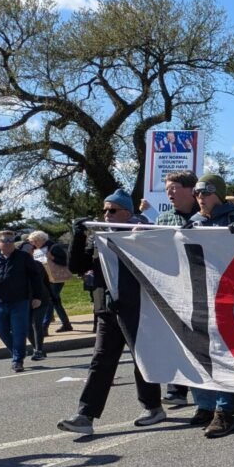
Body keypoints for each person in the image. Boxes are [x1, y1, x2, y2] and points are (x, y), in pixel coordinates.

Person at [57, 190, 165, 435]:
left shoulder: (141, 233)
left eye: (112, 210)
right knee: (101, 360)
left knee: (142, 358)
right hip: (107, 307)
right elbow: (77, 266)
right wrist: (78, 235)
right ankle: (85, 415)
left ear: (128, 213)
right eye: (105, 210)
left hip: (137, 306)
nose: (106, 214)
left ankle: (152, 406)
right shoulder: (100, 238)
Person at [183, 174, 234, 437]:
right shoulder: (194, 222)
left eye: (207, 191)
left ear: (220, 195)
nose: (201, 196)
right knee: (201, 349)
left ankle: (224, 410)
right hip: (203, 293)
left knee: (227, 349)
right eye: (198, 192)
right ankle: (205, 403)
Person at [155, 170, 200, 406]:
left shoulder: (204, 216)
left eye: (174, 187)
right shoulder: (163, 220)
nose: (169, 193)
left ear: (191, 190)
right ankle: (177, 388)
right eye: (167, 188)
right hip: (176, 287)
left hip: (203, 286)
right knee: (177, 338)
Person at [0, 230, 41, 372]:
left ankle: (17, 361)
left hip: (20, 301)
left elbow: (35, 277)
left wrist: (37, 297)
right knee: (0, 328)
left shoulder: (23, 257)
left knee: (19, 331)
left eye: (10, 240)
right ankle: (17, 351)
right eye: (4, 241)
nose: (8, 243)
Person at [29, 229, 74, 333]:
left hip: (57, 279)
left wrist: (52, 257)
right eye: (32, 242)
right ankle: (66, 324)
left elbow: (65, 262)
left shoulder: (54, 247)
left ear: (42, 239)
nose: (34, 244)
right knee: (56, 302)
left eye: (36, 241)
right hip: (46, 279)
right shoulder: (37, 249)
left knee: (50, 301)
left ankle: (44, 327)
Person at [16, 236, 52, 361]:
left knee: (36, 324)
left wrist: (51, 297)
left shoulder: (37, 264)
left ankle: (39, 350)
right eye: (26, 249)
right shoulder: (16, 266)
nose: (30, 251)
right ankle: (37, 348)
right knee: (27, 326)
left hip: (41, 298)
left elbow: (46, 282)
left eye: (31, 250)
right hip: (25, 299)